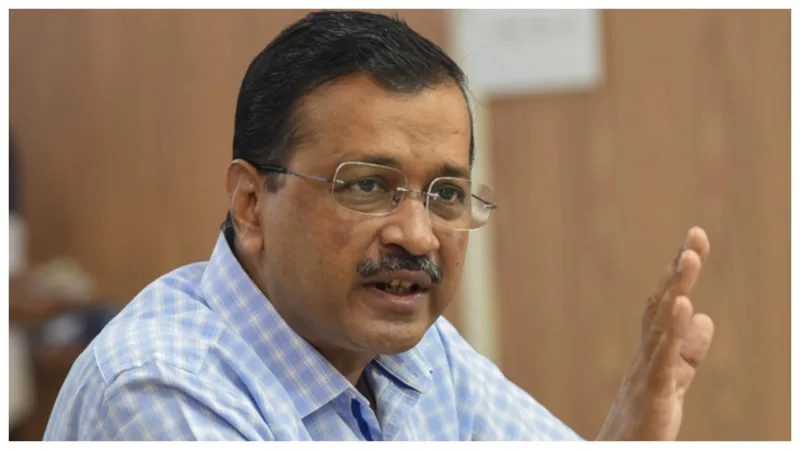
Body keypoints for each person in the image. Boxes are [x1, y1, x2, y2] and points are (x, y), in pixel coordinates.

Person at [44, 11, 714, 441]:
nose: (418, 237)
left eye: (446, 193)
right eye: (367, 185)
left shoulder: (417, 352)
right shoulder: (160, 387)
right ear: (251, 204)